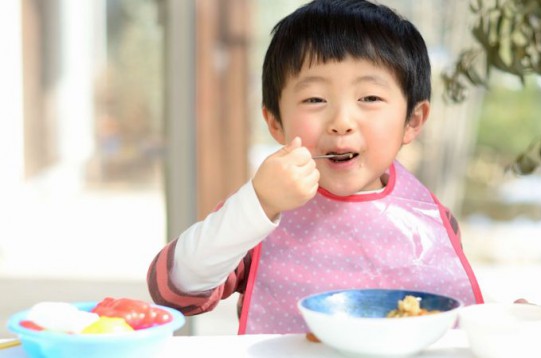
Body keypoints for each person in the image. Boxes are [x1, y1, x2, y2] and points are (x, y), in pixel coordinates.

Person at [147, 0, 484, 335]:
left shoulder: (428, 217)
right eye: (314, 99)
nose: (341, 122)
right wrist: (260, 203)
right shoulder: (260, 213)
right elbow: (176, 290)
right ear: (275, 122)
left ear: (412, 120)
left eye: (369, 98)